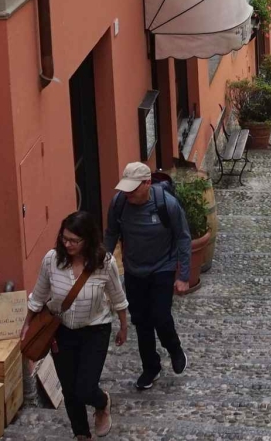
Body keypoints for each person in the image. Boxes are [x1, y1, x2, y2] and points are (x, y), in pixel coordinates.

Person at [27, 211, 129, 439]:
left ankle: (102, 402)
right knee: (70, 390)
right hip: (61, 332)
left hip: (95, 329)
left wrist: (124, 326)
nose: (68, 244)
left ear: (88, 239)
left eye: (74, 240)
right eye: (64, 238)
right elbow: (38, 295)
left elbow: (117, 297)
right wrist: (27, 325)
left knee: (85, 387)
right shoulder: (52, 260)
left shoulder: (105, 263)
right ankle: (81, 434)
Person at [104, 163, 191, 391]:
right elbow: (112, 233)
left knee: (160, 316)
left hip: (163, 267)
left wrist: (182, 276)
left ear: (147, 184)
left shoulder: (166, 205)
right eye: (126, 188)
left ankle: (174, 348)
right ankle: (150, 367)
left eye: (133, 188)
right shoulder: (119, 203)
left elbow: (183, 238)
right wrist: (102, 264)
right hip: (134, 270)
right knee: (141, 322)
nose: (128, 193)